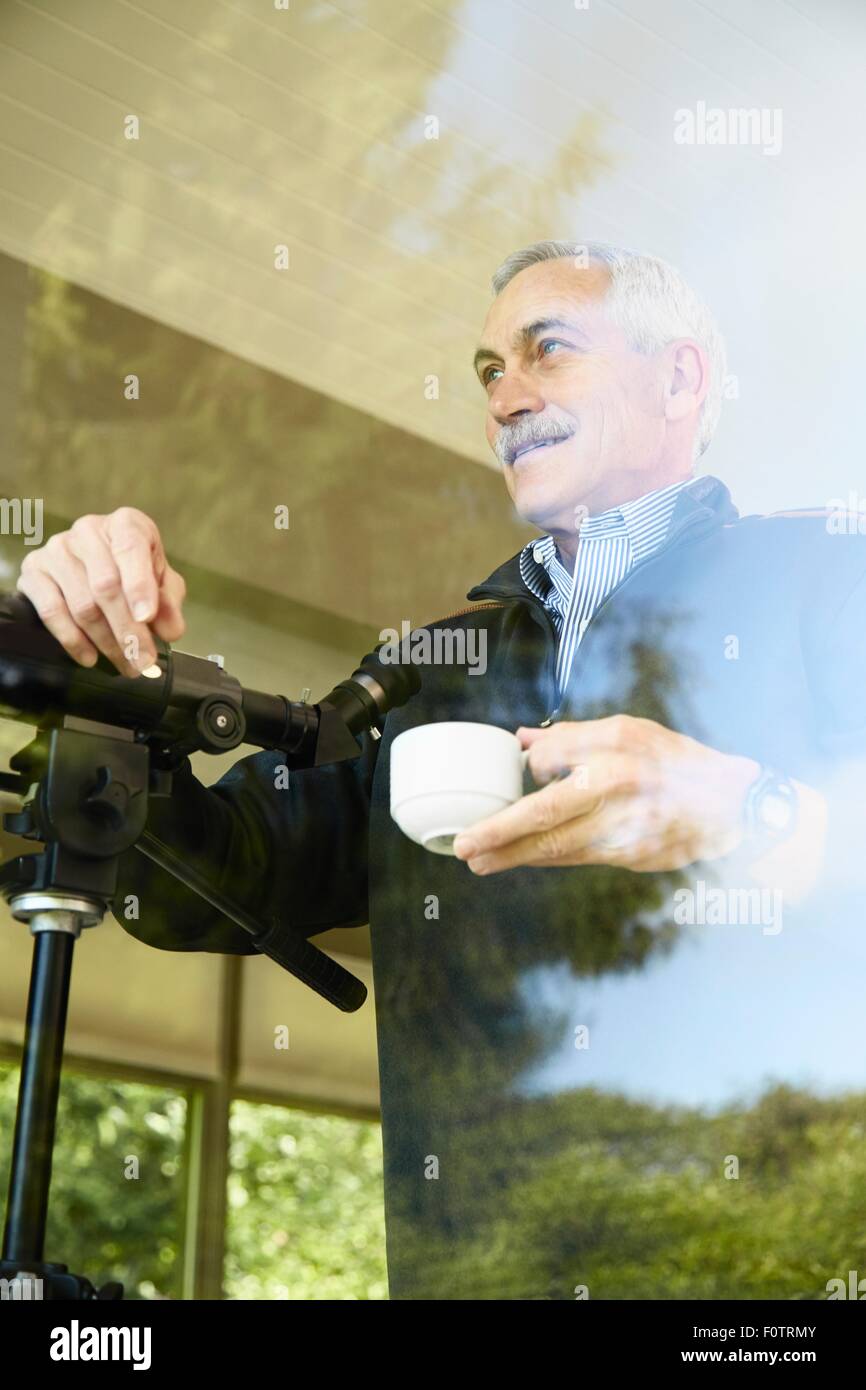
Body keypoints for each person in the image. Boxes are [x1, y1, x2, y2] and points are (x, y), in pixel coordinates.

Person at [15, 241, 866, 1299]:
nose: (504, 397)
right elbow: (212, 880)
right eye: (486, 371)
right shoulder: (420, 666)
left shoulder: (832, 581)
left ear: (679, 378)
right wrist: (102, 674)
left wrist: (753, 811)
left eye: (544, 350)